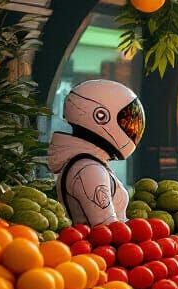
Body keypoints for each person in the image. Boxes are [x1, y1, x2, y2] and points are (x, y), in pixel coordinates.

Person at [47, 79, 145, 226]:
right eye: (126, 120)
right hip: (98, 249)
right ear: (101, 116)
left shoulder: (89, 164)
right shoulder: (90, 170)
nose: (131, 129)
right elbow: (108, 230)